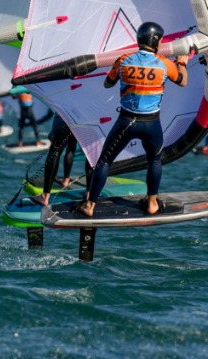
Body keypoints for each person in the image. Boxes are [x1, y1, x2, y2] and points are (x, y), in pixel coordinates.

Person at [78, 22, 186, 218]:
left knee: (104, 161)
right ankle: (152, 203)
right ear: (156, 42)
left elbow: (107, 83)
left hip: (126, 122)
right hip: (152, 124)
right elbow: (182, 81)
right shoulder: (164, 63)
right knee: (154, 159)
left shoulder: (123, 60)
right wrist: (183, 62)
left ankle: (89, 205)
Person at [36, 115, 82, 206]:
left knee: (55, 150)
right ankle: (66, 180)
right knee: (71, 148)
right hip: (80, 119)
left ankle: (45, 197)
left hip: (64, 116)